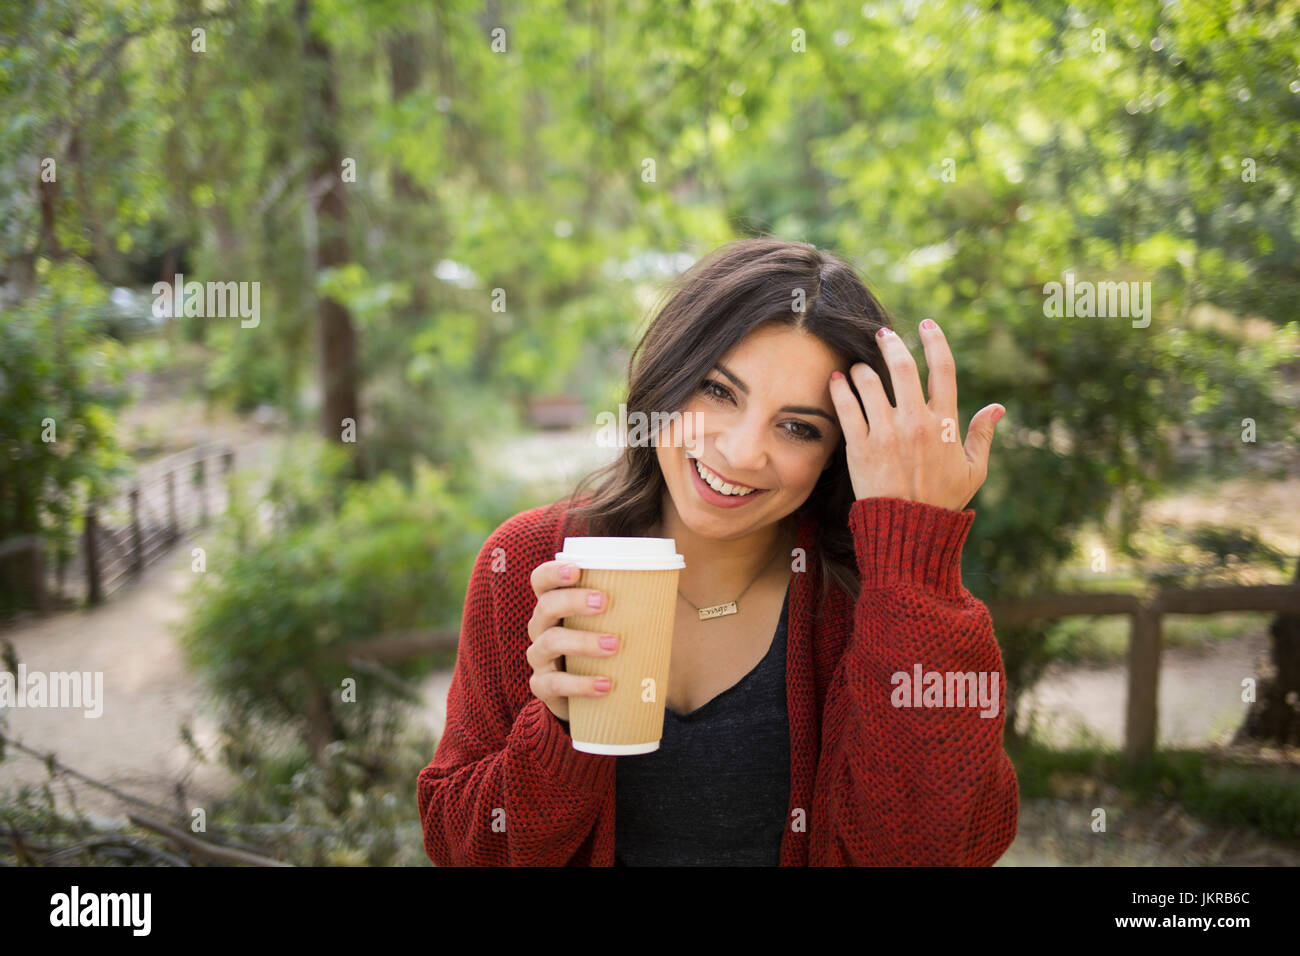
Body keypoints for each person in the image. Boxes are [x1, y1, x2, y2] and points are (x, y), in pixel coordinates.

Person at [416, 236, 1018, 865]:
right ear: (669, 377)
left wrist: (915, 558)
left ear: (838, 454)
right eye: (719, 391)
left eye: (797, 428)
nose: (740, 452)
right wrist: (558, 732)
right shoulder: (532, 563)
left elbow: (940, 850)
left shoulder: (874, 603)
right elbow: (462, 846)